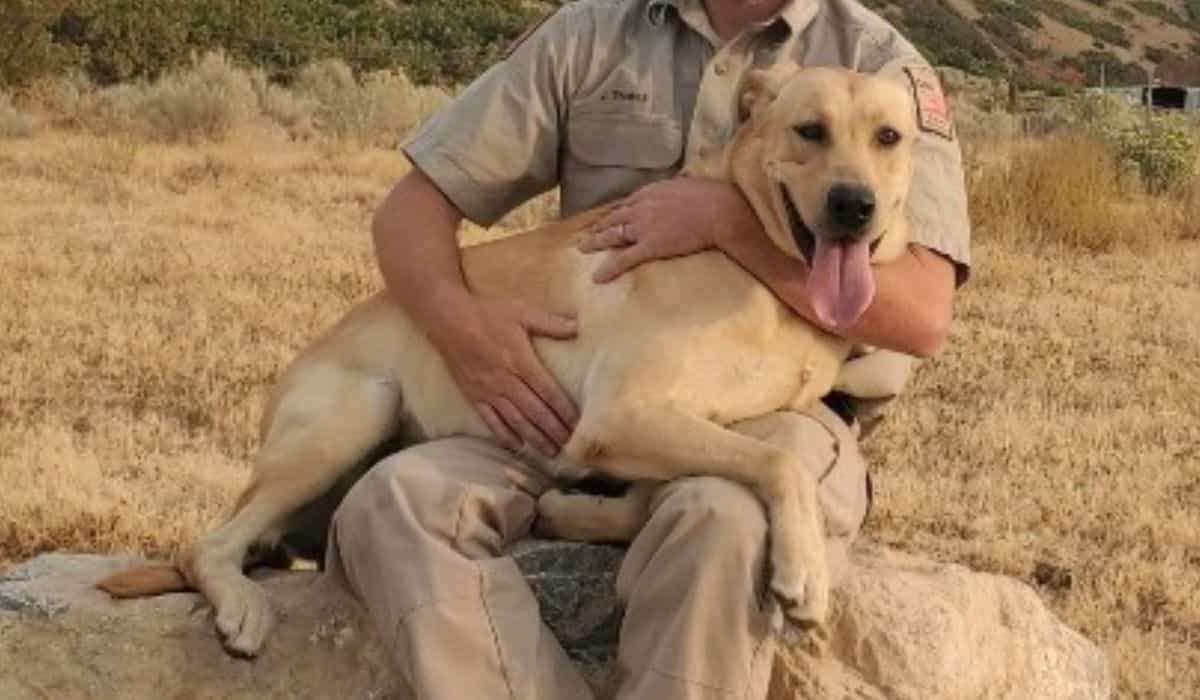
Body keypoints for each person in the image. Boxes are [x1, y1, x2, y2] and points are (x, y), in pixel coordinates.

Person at [324, 0, 971, 698]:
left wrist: (730, 225)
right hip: (574, 388)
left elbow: (923, 316)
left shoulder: (884, 67)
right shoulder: (591, 33)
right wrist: (461, 327)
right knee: (390, 504)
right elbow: (410, 210)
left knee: (723, 524)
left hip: (781, 407)